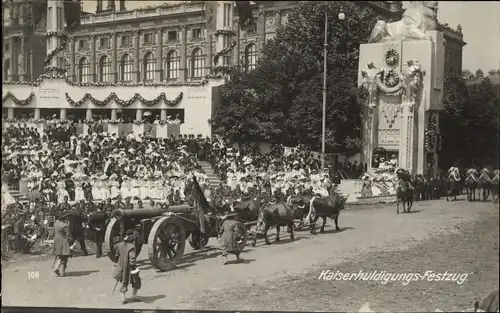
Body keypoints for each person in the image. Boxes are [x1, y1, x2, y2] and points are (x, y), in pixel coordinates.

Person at [113, 229, 141, 304]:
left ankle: (123, 298)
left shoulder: (119, 245)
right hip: (130, 267)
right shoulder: (131, 246)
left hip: (121, 266)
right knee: (136, 280)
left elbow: (116, 255)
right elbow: (132, 258)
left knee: (124, 281)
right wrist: (132, 265)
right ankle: (134, 296)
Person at [52, 212, 72, 277]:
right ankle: (62, 272)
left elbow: (53, 232)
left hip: (56, 240)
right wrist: (71, 243)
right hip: (63, 241)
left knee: (58, 256)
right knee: (64, 257)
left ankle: (55, 268)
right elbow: (68, 235)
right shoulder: (64, 225)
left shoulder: (56, 223)